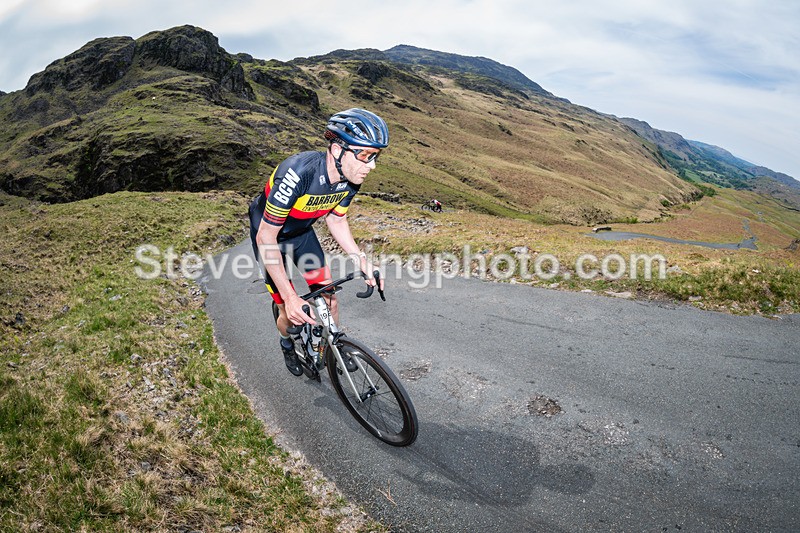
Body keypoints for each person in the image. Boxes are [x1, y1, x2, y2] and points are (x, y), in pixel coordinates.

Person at [248, 108, 387, 376]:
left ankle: (335, 346)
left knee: (329, 297)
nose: (372, 166)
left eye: (375, 157)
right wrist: (289, 297)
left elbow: (336, 220)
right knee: (290, 317)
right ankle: (287, 344)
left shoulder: (350, 179)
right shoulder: (298, 173)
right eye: (366, 156)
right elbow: (266, 237)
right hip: (269, 237)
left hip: (301, 235)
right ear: (337, 150)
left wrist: (362, 261)